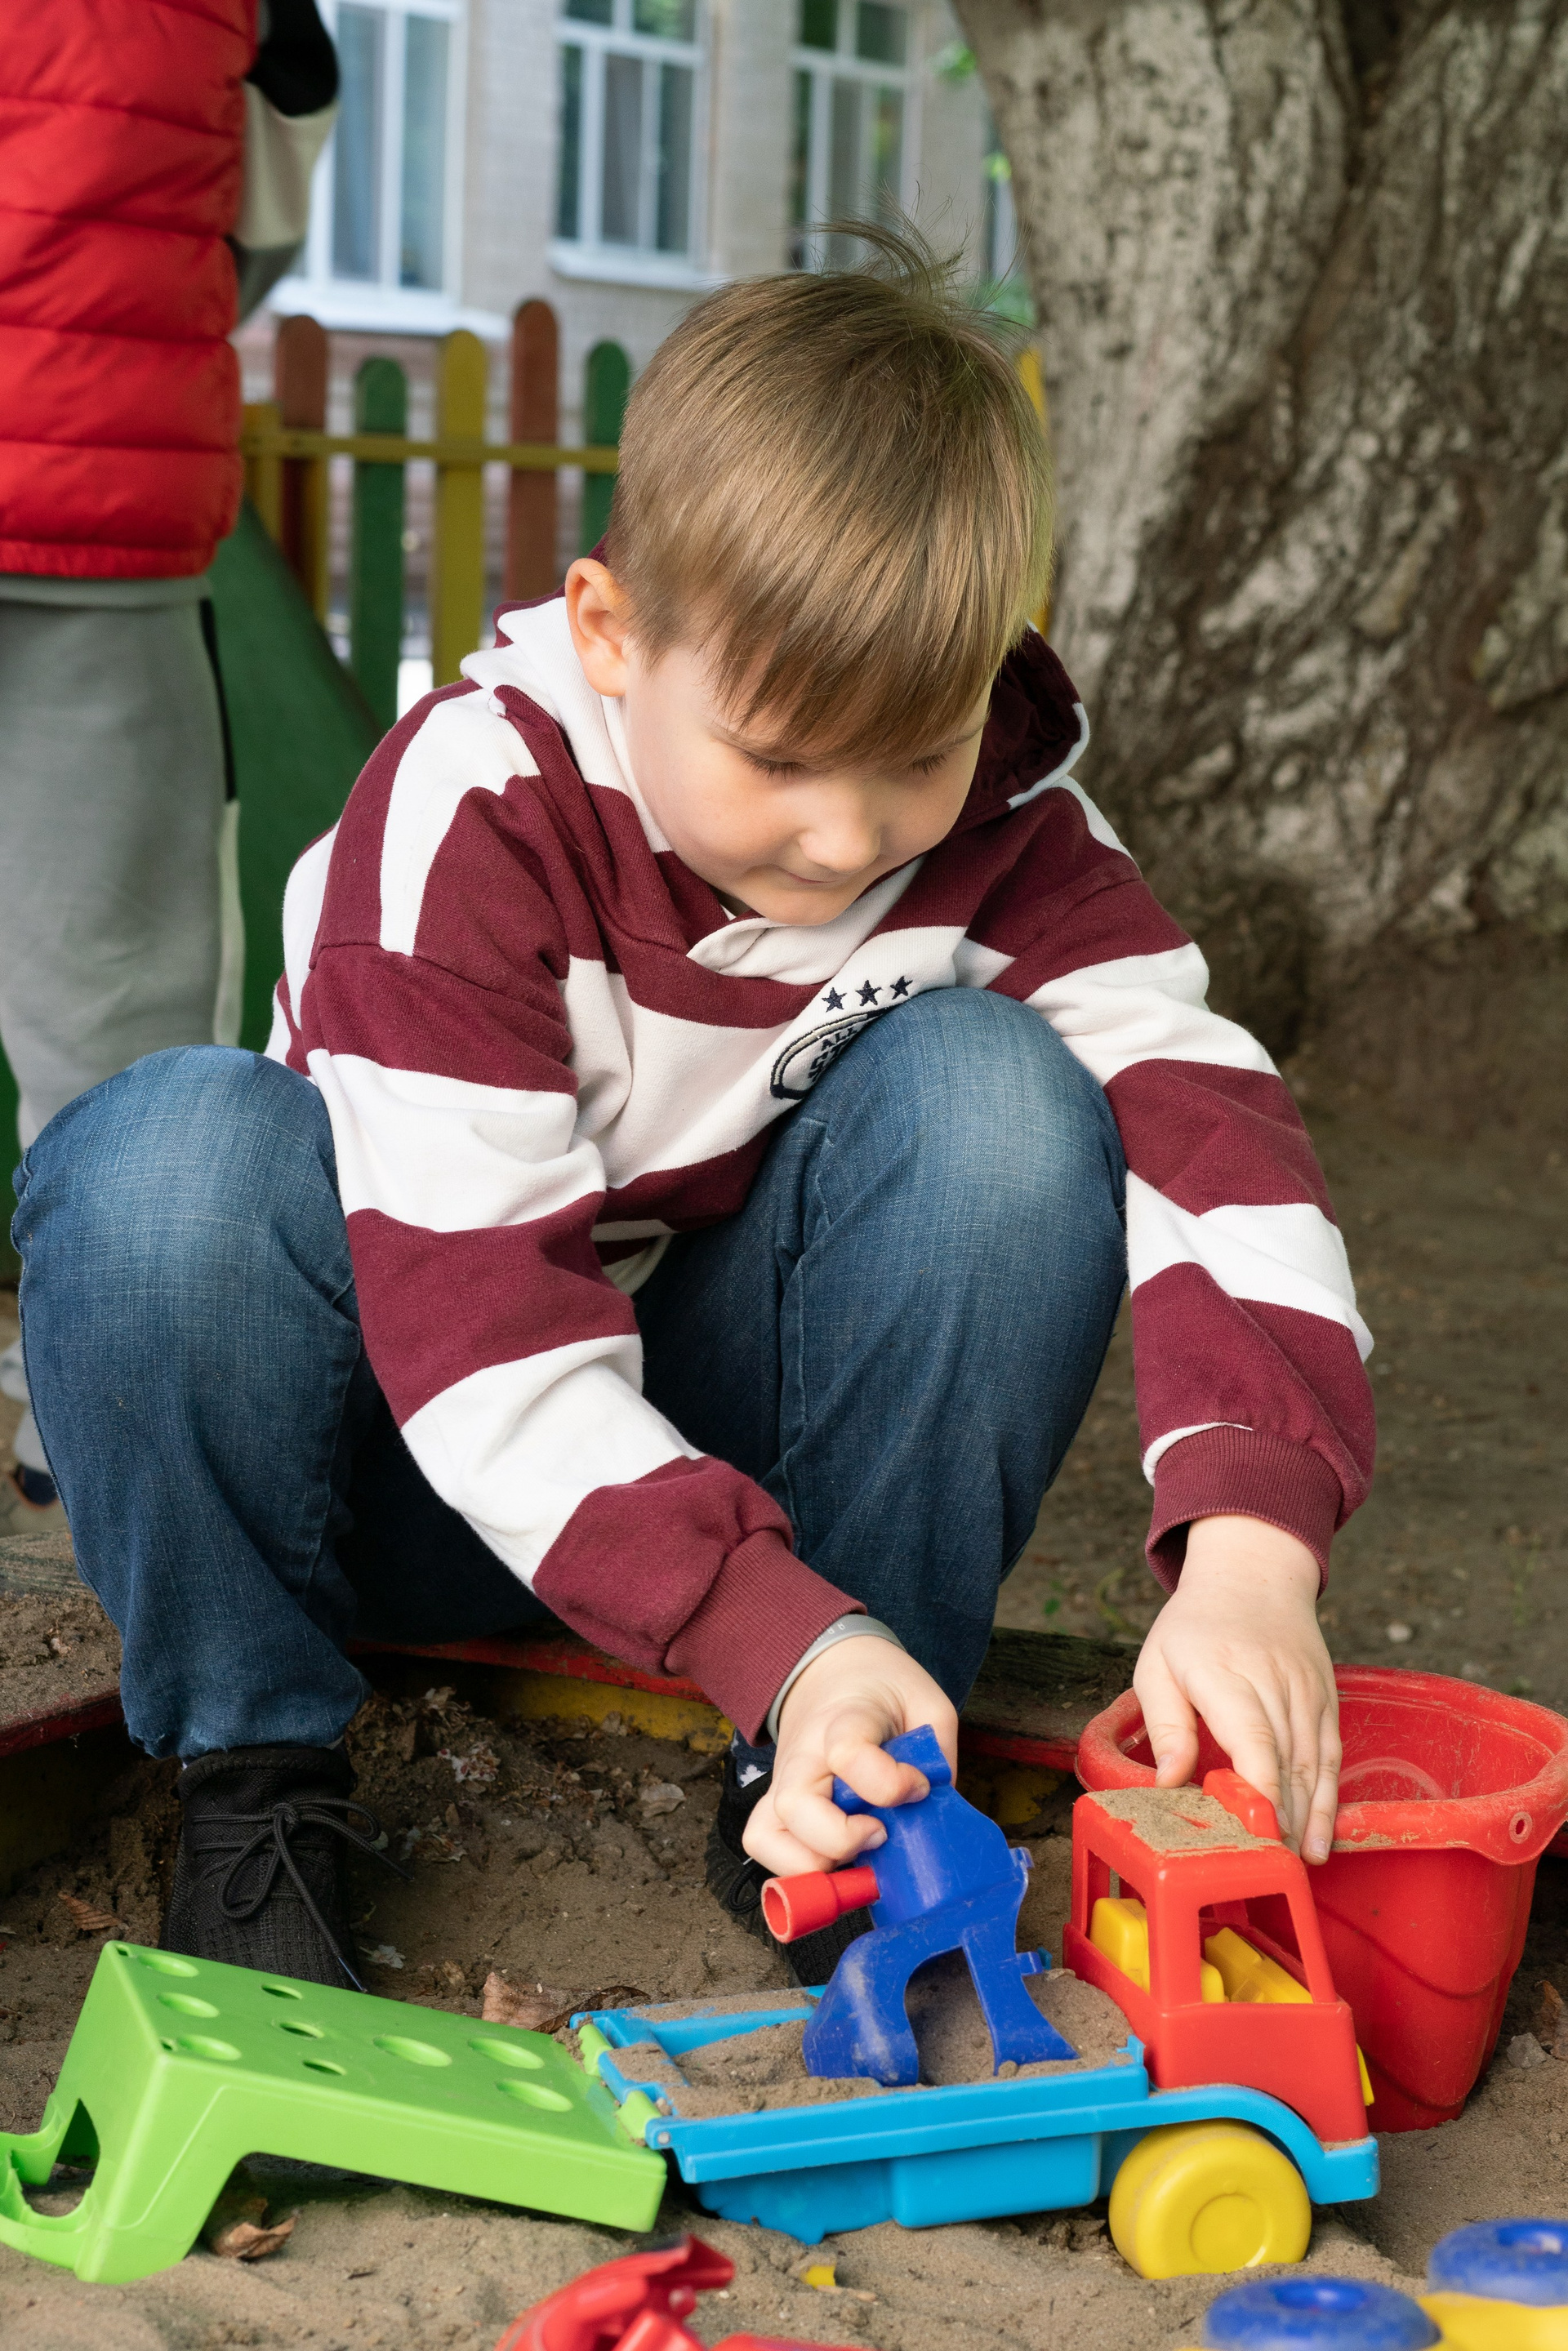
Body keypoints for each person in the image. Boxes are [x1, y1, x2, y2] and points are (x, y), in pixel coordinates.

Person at [12, 234, 1374, 1991]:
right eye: (779, 759)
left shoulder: (1010, 835)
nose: (847, 836)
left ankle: (851, 1772)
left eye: (919, 751)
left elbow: (1215, 1134)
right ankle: (256, 1778)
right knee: (165, 1167)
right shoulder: (477, 809)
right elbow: (479, 1333)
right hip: (383, 1459)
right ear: (611, 631)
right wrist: (762, 1624)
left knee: (1000, 1109)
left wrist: (1252, 1552)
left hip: (719, 1479)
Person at [0, 0, 337, 1533]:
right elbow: (261, 214)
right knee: (118, 1025)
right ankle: (90, 1429)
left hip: (104, 505)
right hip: (99, 489)